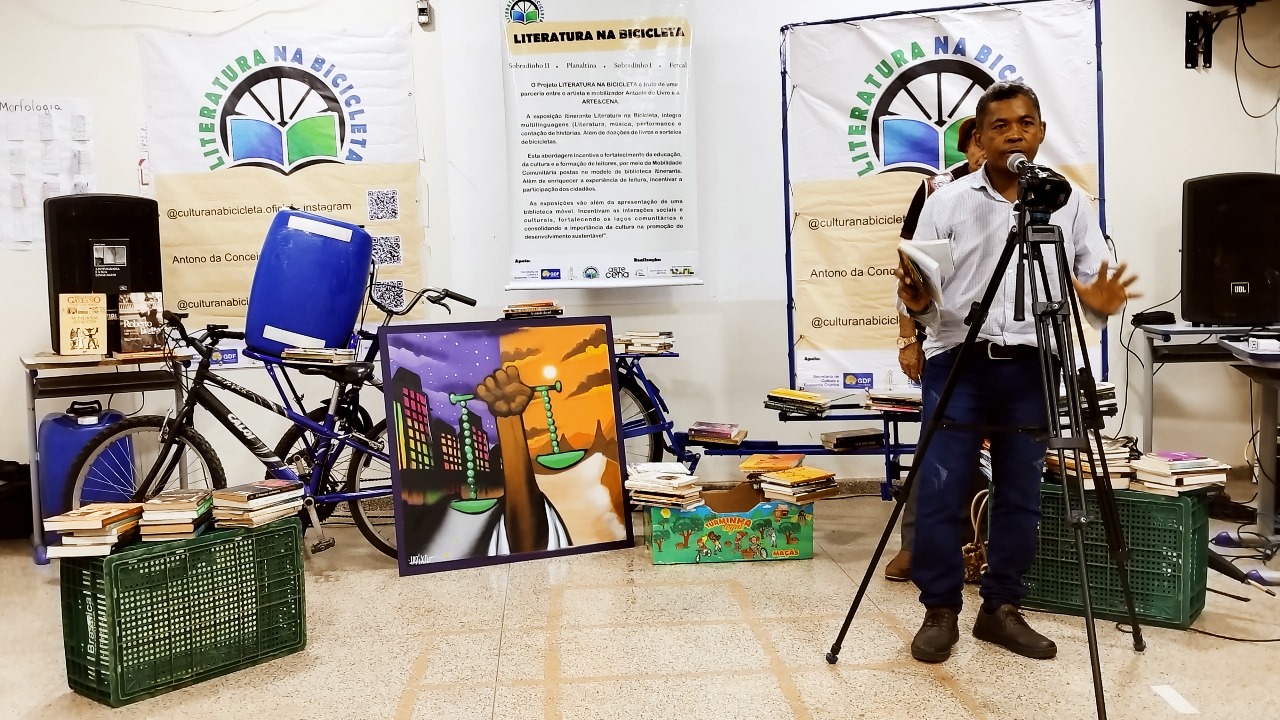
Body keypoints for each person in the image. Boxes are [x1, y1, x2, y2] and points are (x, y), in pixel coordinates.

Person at [894, 82, 1138, 664]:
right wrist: (917, 304)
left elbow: (1095, 278)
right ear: (979, 138)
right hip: (958, 358)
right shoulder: (948, 200)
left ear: (1041, 132)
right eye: (1000, 126)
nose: (1014, 133)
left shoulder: (1070, 202)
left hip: (1033, 361)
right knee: (943, 487)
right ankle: (940, 609)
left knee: (1022, 491)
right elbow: (922, 292)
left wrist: (1101, 302)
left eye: (1025, 123)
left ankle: (1001, 608)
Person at [886, 116, 985, 583]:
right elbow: (910, 270)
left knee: (1003, 452)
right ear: (967, 147)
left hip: (1014, 348)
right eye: (978, 142)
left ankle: (980, 546)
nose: (988, 150)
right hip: (948, 341)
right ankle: (917, 546)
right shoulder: (936, 192)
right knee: (935, 447)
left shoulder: (1036, 192)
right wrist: (909, 339)